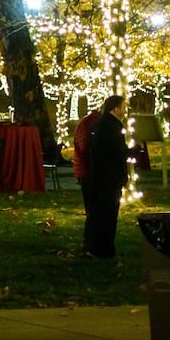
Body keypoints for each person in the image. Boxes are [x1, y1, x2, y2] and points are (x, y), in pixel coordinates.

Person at [86, 94, 130, 259]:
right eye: (123, 107)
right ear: (116, 109)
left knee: (99, 213)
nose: (125, 110)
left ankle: (95, 247)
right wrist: (134, 151)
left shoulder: (98, 124)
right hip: (110, 177)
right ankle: (104, 250)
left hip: (99, 175)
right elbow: (118, 151)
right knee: (108, 215)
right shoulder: (112, 127)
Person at [71, 106, 100, 256]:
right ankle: (89, 243)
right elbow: (84, 147)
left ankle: (93, 242)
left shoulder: (89, 122)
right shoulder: (91, 123)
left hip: (86, 171)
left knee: (93, 209)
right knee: (93, 209)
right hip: (88, 171)